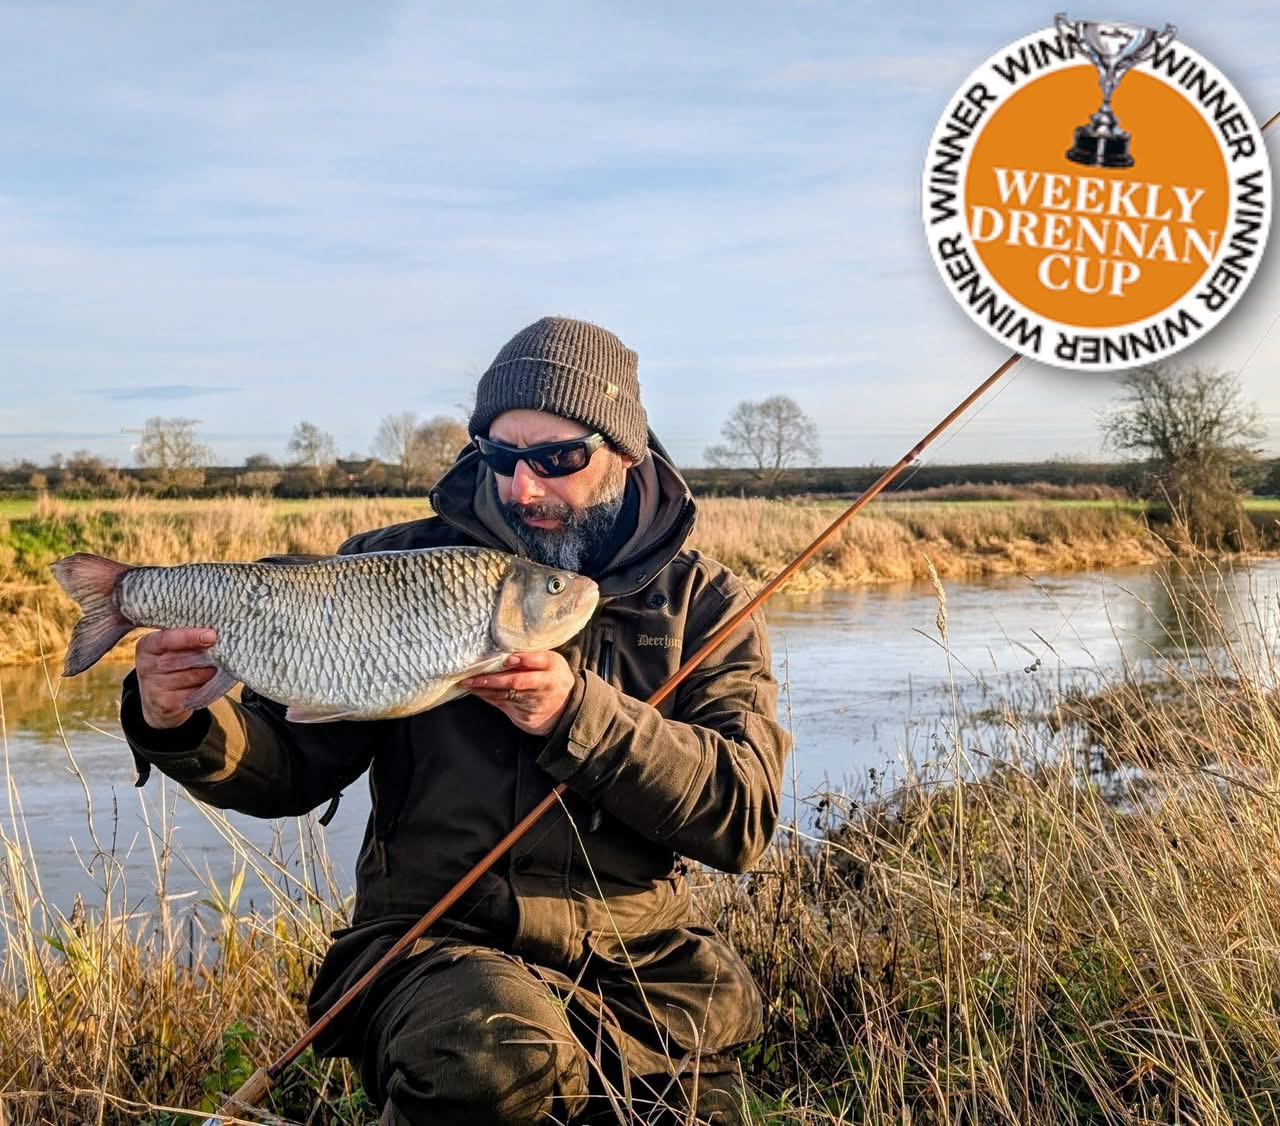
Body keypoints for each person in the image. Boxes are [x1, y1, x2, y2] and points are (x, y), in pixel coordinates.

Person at [119, 316, 792, 1125]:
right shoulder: (392, 564)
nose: (524, 488)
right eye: (500, 459)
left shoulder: (706, 605)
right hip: (431, 945)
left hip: (639, 969)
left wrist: (579, 715)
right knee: (497, 1059)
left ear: (625, 450)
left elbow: (742, 820)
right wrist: (177, 721)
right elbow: (290, 764)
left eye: (558, 459)